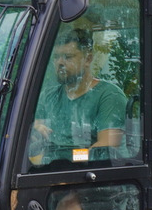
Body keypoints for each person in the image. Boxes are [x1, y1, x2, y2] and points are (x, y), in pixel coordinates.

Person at [29, 27, 127, 166]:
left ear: (88, 59)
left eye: (68, 57)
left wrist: (68, 159)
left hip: (90, 179)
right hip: (51, 174)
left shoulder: (108, 96)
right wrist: (36, 132)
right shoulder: (48, 97)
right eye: (56, 57)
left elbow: (104, 151)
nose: (60, 63)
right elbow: (35, 137)